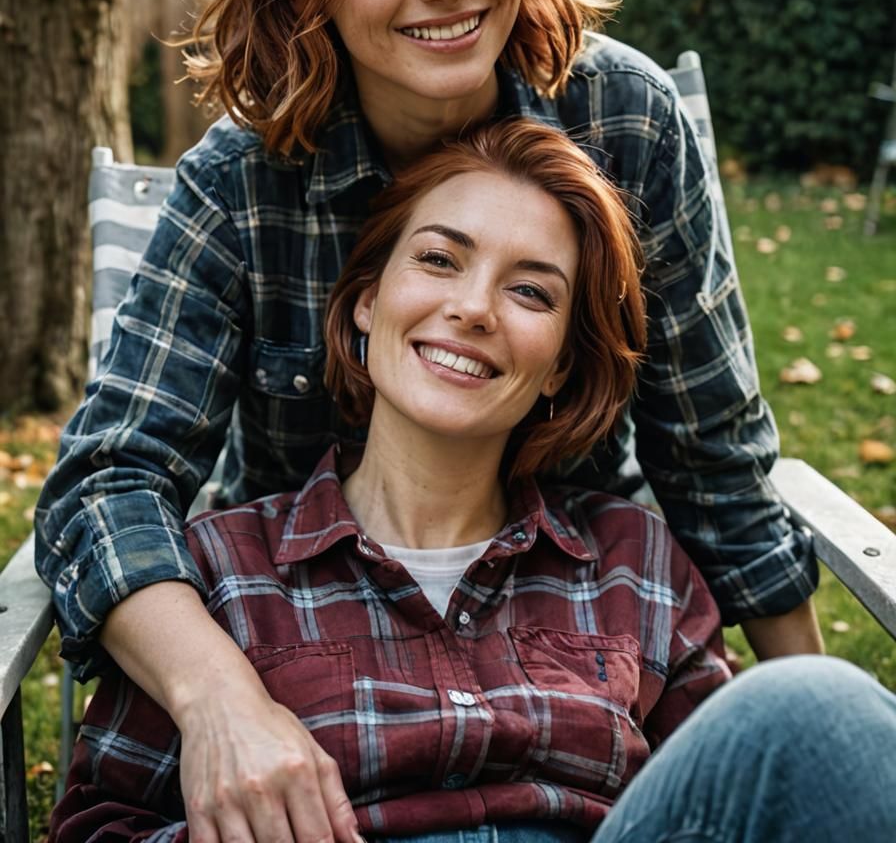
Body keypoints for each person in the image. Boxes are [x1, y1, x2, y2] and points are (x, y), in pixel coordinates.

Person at [36, 0, 823, 843]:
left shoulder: (623, 129)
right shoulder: (243, 187)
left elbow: (715, 466)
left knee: (825, 719)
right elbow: (108, 481)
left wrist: (812, 721)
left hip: (561, 632)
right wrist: (224, 702)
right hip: (312, 665)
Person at [47, 122, 896, 843]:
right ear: (367, 302)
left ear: (562, 362)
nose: (476, 308)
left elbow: (729, 802)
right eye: (441, 260)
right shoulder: (214, 581)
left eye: (530, 290)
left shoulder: (634, 566)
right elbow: (98, 822)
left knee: (816, 709)